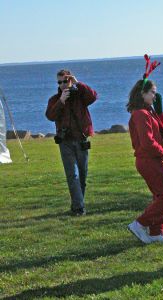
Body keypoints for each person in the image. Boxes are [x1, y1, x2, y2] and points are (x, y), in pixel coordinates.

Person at [127, 55, 163, 244]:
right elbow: (148, 142)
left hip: (152, 160)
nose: (155, 96)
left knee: (160, 196)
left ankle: (156, 232)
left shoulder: (146, 112)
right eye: (152, 93)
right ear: (142, 94)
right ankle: (140, 224)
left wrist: (159, 109)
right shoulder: (140, 114)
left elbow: (160, 129)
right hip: (148, 160)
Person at [46, 69, 97, 216]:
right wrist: (61, 101)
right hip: (65, 142)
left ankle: (76, 206)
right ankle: (80, 208)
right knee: (72, 175)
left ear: (70, 80)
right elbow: (50, 115)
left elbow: (93, 96)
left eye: (65, 81)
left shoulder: (80, 96)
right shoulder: (54, 99)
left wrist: (77, 83)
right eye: (59, 82)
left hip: (81, 140)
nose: (62, 84)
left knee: (82, 175)